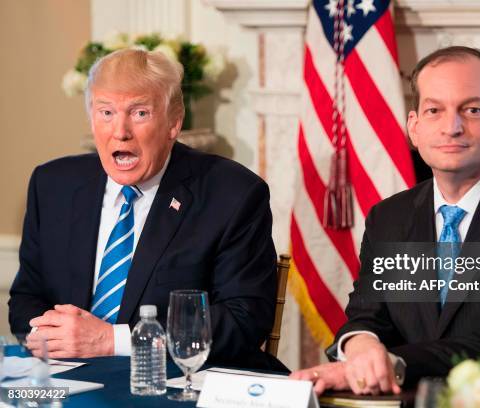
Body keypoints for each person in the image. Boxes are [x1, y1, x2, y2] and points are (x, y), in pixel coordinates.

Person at [291, 46, 480, 394]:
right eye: (434, 110)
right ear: (414, 129)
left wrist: (398, 363)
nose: (452, 127)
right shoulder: (388, 218)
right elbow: (367, 315)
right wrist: (360, 346)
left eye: (472, 110)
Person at [9, 48, 282, 370]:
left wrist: (112, 340)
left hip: (175, 381)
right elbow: (26, 298)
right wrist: (58, 337)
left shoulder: (232, 194)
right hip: (67, 377)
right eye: (106, 112)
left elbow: (244, 318)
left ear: (173, 123)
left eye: (139, 113)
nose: (120, 131)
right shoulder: (53, 184)